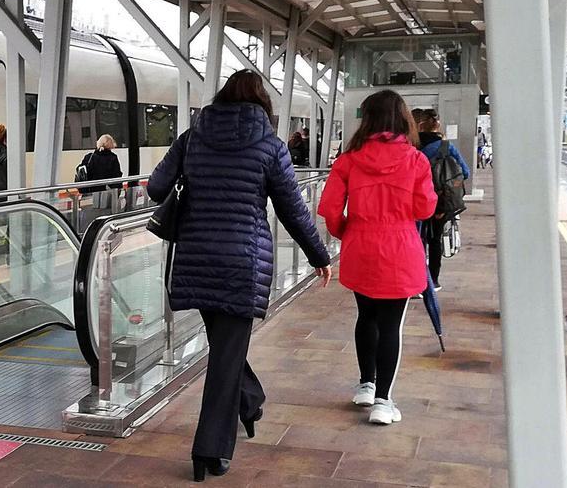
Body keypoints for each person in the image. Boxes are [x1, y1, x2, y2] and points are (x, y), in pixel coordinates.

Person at [149, 69, 332, 481]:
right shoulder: (269, 146)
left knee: (226, 348)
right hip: (241, 262)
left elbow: (156, 189)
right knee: (226, 355)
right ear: (262, 104)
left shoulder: (192, 137)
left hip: (196, 257)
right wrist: (319, 255)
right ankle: (208, 451)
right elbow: (292, 209)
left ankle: (250, 403)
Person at [318, 90, 437, 426]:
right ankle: (384, 402)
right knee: (390, 325)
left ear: (367, 119)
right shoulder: (416, 160)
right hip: (400, 248)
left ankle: (365, 386)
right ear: (403, 119)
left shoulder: (349, 160)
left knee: (365, 316)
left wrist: (347, 232)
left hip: (360, 245)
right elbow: (425, 207)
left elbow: (328, 209)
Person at [414, 109, 471, 291]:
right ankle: (433, 281)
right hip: (439, 203)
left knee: (416, 241)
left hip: (413, 203)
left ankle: (415, 280)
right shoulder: (446, 147)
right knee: (435, 240)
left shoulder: (410, 146)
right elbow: (465, 172)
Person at [77, 134, 124, 219]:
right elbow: (116, 179)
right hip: (105, 197)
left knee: (88, 218)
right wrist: (117, 193)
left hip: (88, 195)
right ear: (111, 144)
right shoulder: (113, 158)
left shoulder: (89, 157)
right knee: (104, 218)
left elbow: (80, 171)